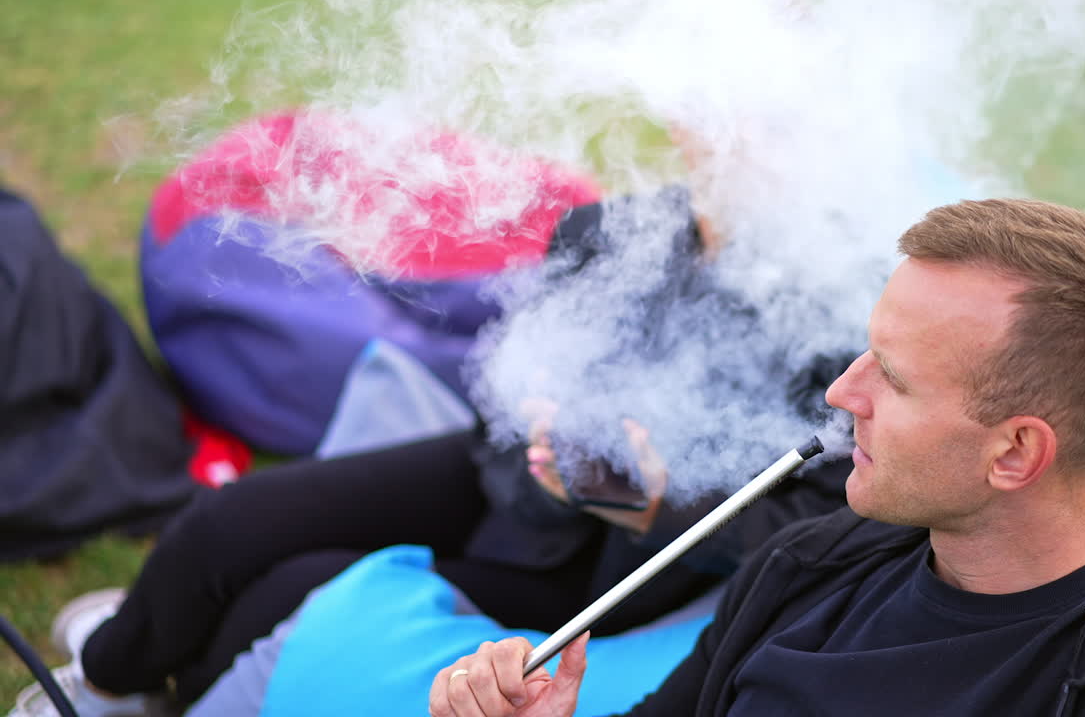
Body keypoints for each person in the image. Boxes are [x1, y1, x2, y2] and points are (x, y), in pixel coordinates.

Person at [6, 186, 855, 717]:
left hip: (616, 561)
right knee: (228, 523)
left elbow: (812, 526)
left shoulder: (849, 325)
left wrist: (656, 501)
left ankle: (176, 683)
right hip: (506, 475)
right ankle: (110, 685)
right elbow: (530, 342)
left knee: (291, 595)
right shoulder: (647, 227)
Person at [427, 198, 1085, 717]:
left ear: (1016, 451)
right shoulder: (810, 563)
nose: (843, 394)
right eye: (864, 353)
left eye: (893, 377)